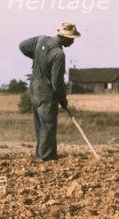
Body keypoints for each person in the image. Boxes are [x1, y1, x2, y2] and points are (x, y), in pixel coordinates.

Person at [19, 21, 81, 161]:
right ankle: (46, 157)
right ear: (65, 37)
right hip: (45, 91)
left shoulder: (41, 40)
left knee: (40, 124)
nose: (72, 42)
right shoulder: (58, 54)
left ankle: (42, 154)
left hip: (34, 88)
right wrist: (62, 99)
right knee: (48, 124)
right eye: (71, 39)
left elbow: (22, 46)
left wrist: (37, 57)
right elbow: (56, 82)